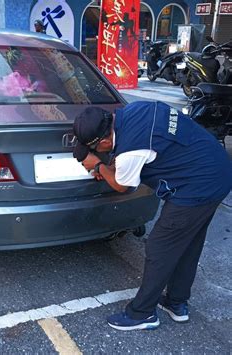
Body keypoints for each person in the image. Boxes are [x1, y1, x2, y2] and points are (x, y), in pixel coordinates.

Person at [71, 101, 232, 331]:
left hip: (198, 185)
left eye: (97, 149)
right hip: (217, 168)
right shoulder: (136, 110)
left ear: (105, 141)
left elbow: (122, 185)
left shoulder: (131, 151)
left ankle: (142, 313)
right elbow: (145, 146)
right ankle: (176, 303)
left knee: (160, 247)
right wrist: (109, 163)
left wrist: (98, 166)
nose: (100, 152)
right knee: (188, 242)